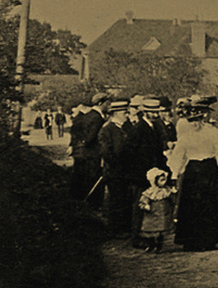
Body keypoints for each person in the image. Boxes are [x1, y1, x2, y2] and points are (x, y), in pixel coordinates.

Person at [168, 95, 218, 251]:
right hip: (193, 171)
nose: (195, 123)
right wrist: (174, 174)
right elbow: (178, 155)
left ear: (202, 119)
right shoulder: (185, 136)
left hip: (209, 169)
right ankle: (191, 239)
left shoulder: (212, 132)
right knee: (191, 205)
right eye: (192, 120)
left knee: (209, 205)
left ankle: (208, 239)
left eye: (197, 119)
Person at [99, 99, 142, 240]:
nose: (127, 115)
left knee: (126, 200)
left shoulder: (128, 128)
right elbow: (106, 153)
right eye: (124, 113)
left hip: (128, 171)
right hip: (115, 172)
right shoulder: (107, 130)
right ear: (116, 113)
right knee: (116, 200)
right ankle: (116, 229)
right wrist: (118, 165)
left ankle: (126, 228)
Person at [69, 94, 107, 209]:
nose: (109, 106)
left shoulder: (86, 116)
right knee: (93, 178)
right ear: (100, 103)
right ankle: (94, 204)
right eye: (107, 103)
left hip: (83, 152)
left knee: (83, 178)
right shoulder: (97, 118)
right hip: (92, 153)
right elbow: (91, 137)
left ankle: (81, 202)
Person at [136, 167, 176, 253]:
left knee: (161, 231)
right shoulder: (150, 192)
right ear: (154, 181)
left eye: (164, 180)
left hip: (163, 214)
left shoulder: (166, 190)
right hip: (153, 214)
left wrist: (173, 195)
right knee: (151, 231)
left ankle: (159, 246)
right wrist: (145, 205)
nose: (164, 182)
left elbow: (172, 199)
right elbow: (143, 200)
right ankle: (151, 245)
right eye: (161, 180)